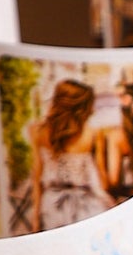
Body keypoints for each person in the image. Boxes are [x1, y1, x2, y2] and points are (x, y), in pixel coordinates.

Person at [30, 79, 115, 230]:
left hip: (51, 204)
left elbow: (36, 178)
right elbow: (103, 181)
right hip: (87, 204)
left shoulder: (37, 131)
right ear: (81, 107)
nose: (92, 110)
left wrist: (36, 217)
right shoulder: (93, 133)